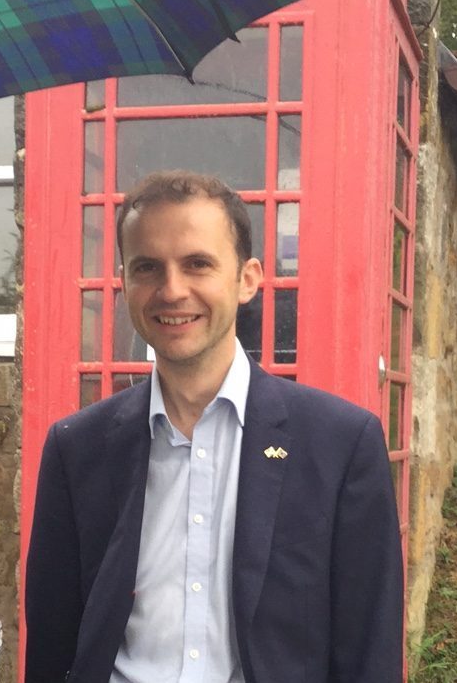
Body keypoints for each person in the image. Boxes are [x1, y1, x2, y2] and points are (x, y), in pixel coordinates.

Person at [25, 170, 404, 683]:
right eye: (147, 268)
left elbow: (369, 652)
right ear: (124, 283)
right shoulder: (77, 448)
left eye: (197, 264)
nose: (172, 289)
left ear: (247, 279)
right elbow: (51, 642)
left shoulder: (340, 445)